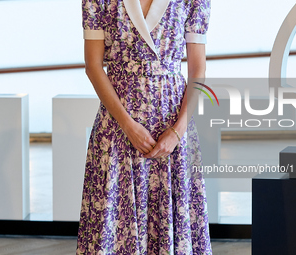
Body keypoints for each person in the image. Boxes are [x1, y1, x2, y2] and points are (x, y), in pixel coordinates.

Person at [76, 0, 212, 254]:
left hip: (172, 122)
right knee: (113, 215)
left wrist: (177, 132)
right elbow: (93, 67)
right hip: (116, 127)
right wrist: (127, 125)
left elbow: (198, 69)